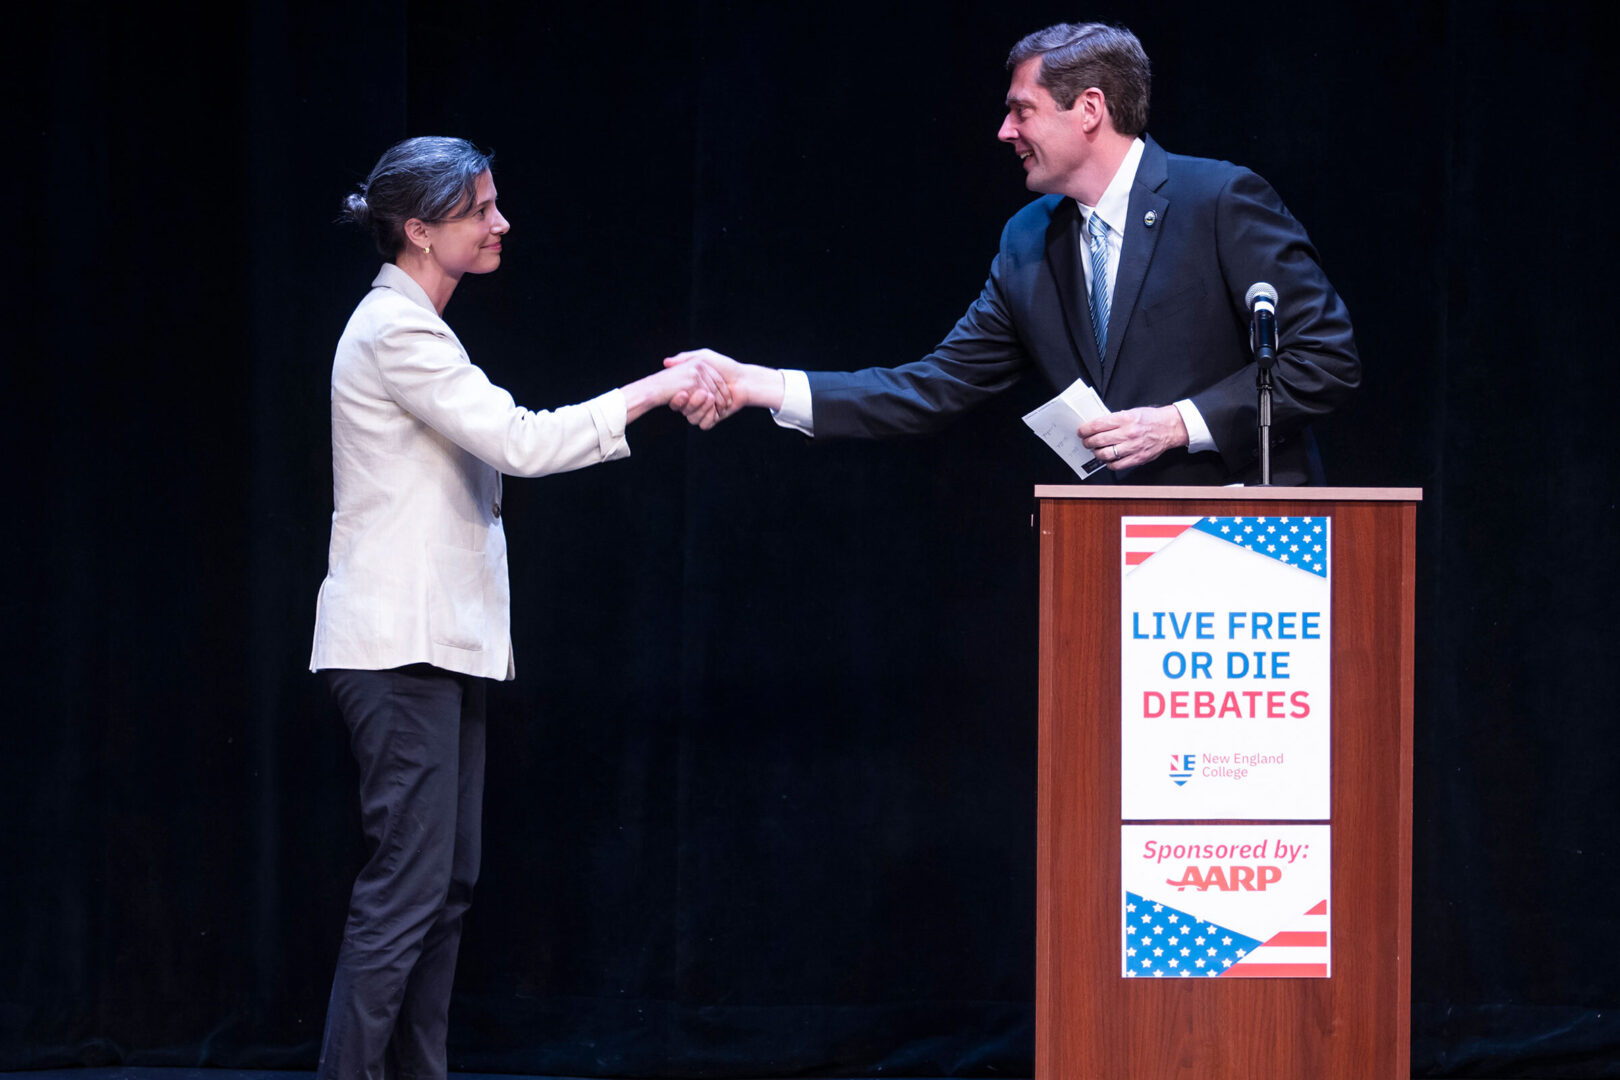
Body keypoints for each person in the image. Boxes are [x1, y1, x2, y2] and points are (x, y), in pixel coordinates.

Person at [307, 136, 724, 1080]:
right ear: (419, 231)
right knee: (406, 893)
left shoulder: (419, 325)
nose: (501, 223)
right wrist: (657, 389)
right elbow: (521, 443)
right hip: (395, 644)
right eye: (479, 210)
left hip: (438, 645)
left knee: (443, 889)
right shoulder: (395, 329)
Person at [668, 22, 1359, 485]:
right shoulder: (1030, 240)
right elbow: (929, 388)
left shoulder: (1219, 200)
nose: (1004, 131)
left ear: (1088, 109)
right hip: (1116, 560)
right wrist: (754, 383)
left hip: (1252, 549)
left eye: (1021, 110)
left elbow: (1325, 358)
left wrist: (1176, 424)